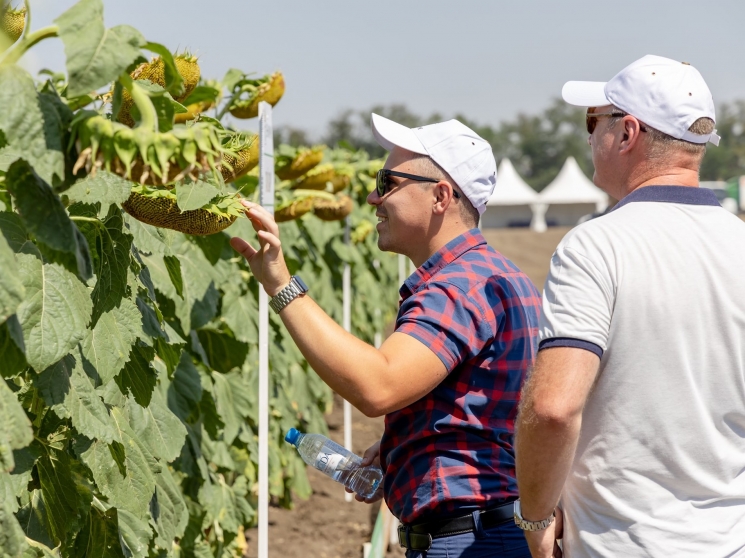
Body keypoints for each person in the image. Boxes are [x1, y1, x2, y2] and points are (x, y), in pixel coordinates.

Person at [230, 114, 541, 557]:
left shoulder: (455, 288)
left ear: (441, 196)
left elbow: (378, 385)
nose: (374, 196)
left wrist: (281, 286)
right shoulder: (501, 275)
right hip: (495, 527)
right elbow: (491, 409)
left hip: (466, 541)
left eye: (388, 181)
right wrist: (410, 443)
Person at [514, 55, 745, 558]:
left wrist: (533, 519)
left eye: (593, 121)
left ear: (628, 133)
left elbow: (553, 408)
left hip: (618, 543)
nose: (590, 136)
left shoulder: (595, 246)